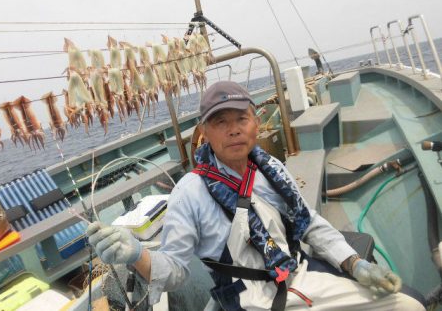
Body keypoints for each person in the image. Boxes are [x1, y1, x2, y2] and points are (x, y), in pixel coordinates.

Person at [87, 81, 425, 310]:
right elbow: (174, 271)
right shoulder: (188, 193)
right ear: (204, 132)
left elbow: (309, 225)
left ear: (256, 123)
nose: (233, 129)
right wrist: (135, 255)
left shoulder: (272, 168)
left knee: (406, 305)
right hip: (249, 301)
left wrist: (355, 263)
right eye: (220, 122)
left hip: (300, 274)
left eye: (241, 118)